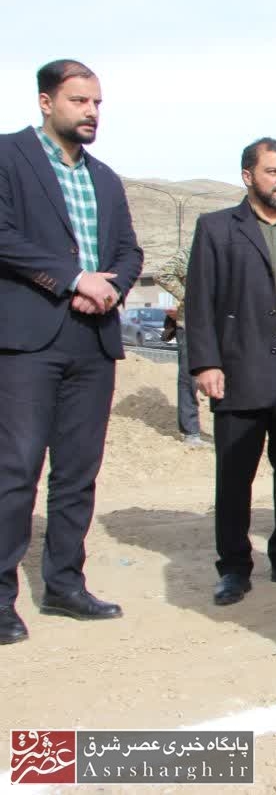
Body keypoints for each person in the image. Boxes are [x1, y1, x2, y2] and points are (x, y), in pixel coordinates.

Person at [0, 59, 143, 644]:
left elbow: (129, 251)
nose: (92, 113)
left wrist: (109, 287)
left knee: (78, 472)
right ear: (46, 102)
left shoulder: (104, 178)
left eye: (97, 103)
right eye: (80, 101)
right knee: (16, 469)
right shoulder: (8, 157)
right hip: (28, 340)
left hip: (93, 340)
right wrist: (72, 279)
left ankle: (64, 584)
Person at [185, 139, 276, 606]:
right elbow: (199, 299)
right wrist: (206, 362)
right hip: (240, 368)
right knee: (235, 475)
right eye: (273, 172)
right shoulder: (216, 228)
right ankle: (233, 567)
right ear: (248, 176)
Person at [153, 248, 206, 446]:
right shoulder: (190, 252)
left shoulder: (224, 253)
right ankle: (191, 432)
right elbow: (162, 274)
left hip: (221, 325)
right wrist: (188, 297)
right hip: (190, 324)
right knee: (188, 377)